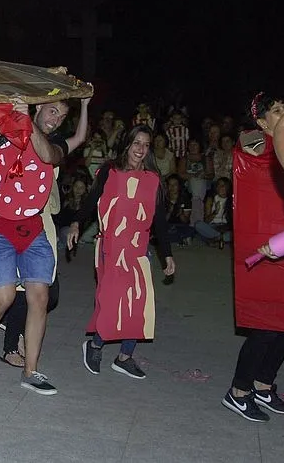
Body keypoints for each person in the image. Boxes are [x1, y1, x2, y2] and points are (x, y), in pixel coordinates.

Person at [0, 98, 88, 395]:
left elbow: (50, 154)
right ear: (38, 108)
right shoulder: (3, 134)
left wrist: (84, 105)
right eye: (53, 111)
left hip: (33, 229)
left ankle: (30, 371)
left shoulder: (53, 144)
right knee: (4, 296)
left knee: (40, 296)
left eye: (62, 116)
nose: (56, 119)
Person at [67, 125, 176, 379]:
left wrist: (167, 254)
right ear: (127, 144)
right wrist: (76, 223)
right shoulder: (110, 170)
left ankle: (125, 357)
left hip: (138, 249)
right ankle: (94, 346)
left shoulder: (152, 179)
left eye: (146, 145)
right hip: (111, 247)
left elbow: (159, 220)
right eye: (137, 143)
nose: (141, 149)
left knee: (138, 303)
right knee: (112, 300)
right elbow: (92, 199)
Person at [222, 93, 284, 422]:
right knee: (266, 326)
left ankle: (263, 385)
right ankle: (238, 391)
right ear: (262, 121)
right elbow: (247, 144)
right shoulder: (254, 140)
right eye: (277, 111)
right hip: (263, 251)